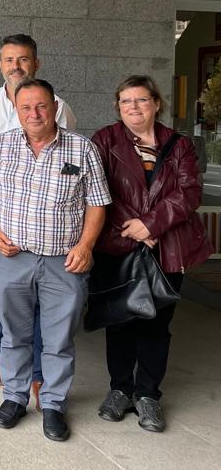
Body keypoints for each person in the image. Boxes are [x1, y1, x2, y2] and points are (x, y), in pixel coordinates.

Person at [0, 78, 110, 442]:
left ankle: (53, 403)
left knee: (59, 339)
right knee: (13, 334)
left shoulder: (82, 148)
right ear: (16, 111)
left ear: (55, 108)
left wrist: (86, 246)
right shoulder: (2, 144)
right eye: (26, 107)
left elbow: (97, 203)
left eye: (41, 106)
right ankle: (14, 397)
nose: (34, 113)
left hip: (64, 262)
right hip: (12, 258)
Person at [91, 76, 211, 432]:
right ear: (118, 107)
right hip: (120, 243)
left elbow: (189, 192)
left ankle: (148, 394)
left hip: (167, 247)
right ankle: (119, 389)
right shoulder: (105, 140)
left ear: (157, 103)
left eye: (141, 100)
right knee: (120, 320)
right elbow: (96, 188)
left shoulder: (180, 145)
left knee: (156, 324)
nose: (133, 107)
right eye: (126, 101)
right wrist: (135, 227)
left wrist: (151, 225)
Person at [0, 34, 76, 391]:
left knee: (40, 297)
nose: (16, 66)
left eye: (23, 59)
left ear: (36, 63)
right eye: (9, 60)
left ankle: (38, 374)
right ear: (0, 65)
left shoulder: (58, 107)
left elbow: (66, 162)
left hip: (39, 219)